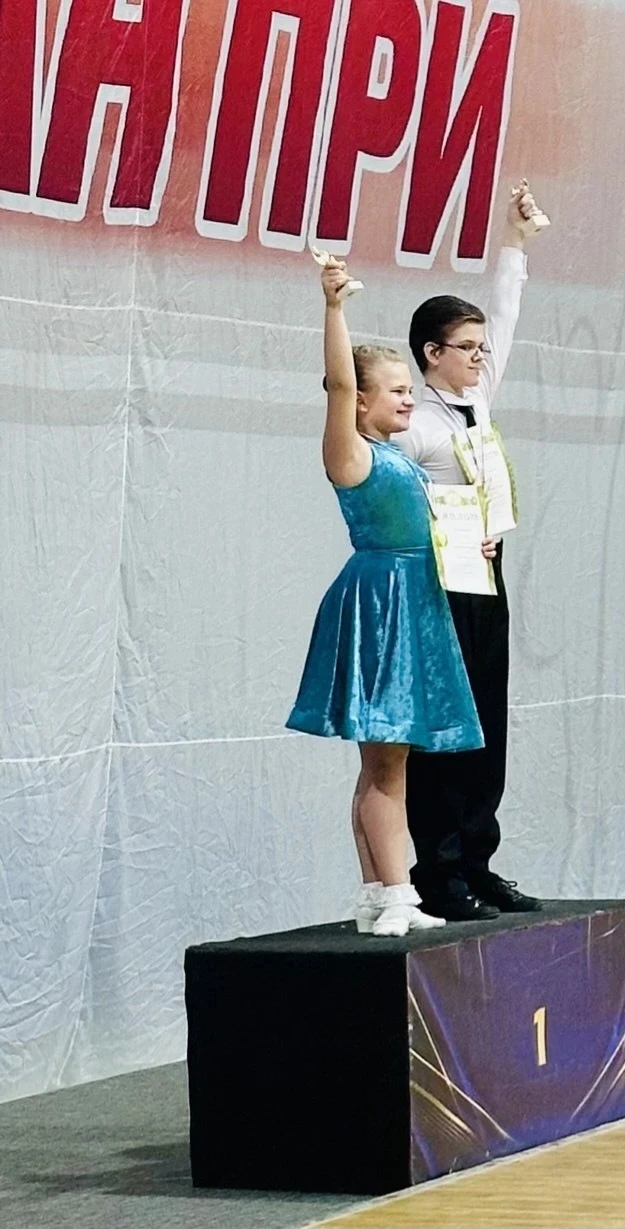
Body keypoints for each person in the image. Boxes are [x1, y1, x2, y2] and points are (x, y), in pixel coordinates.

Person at [286, 256, 490, 937]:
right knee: (387, 761)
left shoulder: (399, 455)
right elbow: (339, 381)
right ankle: (399, 890)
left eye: (409, 389)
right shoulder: (352, 453)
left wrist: (470, 546)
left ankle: (378, 889)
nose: (408, 400)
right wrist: (333, 308)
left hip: (414, 599)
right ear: (360, 401)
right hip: (381, 604)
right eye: (397, 391)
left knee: (385, 761)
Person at [393, 181, 546, 922]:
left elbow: (505, 316)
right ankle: (439, 871)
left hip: (485, 575)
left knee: (487, 718)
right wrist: (444, 532)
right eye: (467, 348)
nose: (481, 358)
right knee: (445, 726)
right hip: (438, 583)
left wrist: (514, 242)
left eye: (483, 349)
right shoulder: (412, 422)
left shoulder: (475, 401)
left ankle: (478, 861)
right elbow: (388, 497)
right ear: (431, 353)